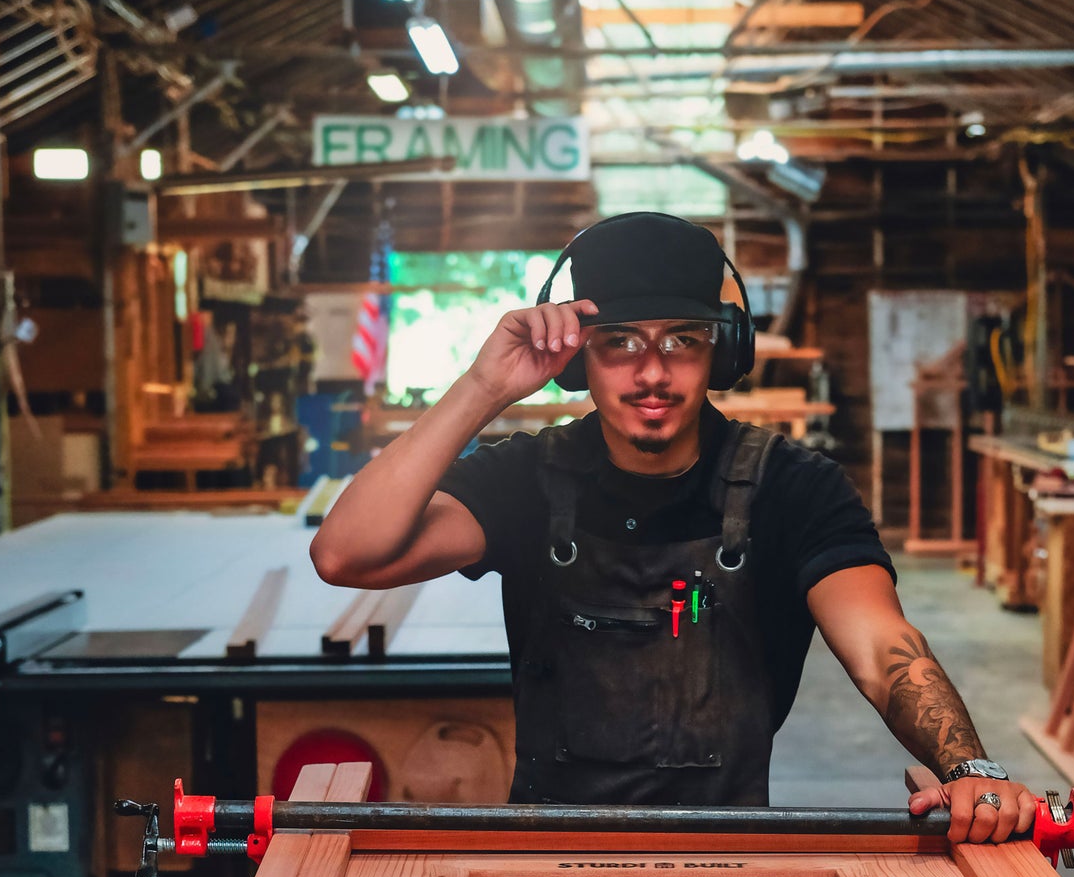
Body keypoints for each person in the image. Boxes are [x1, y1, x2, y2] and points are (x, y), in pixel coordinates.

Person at [311, 212, 1035, 842]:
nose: (651, 372)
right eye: (619, 342)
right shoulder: (528, 478)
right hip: (543, 865)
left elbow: (885, 648)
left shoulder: (793, 486)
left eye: (680, 340)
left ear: (721, 352)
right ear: (577, 361)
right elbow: (345, 553)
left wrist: (968, 766)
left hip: (730, 862)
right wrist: (483, 388)